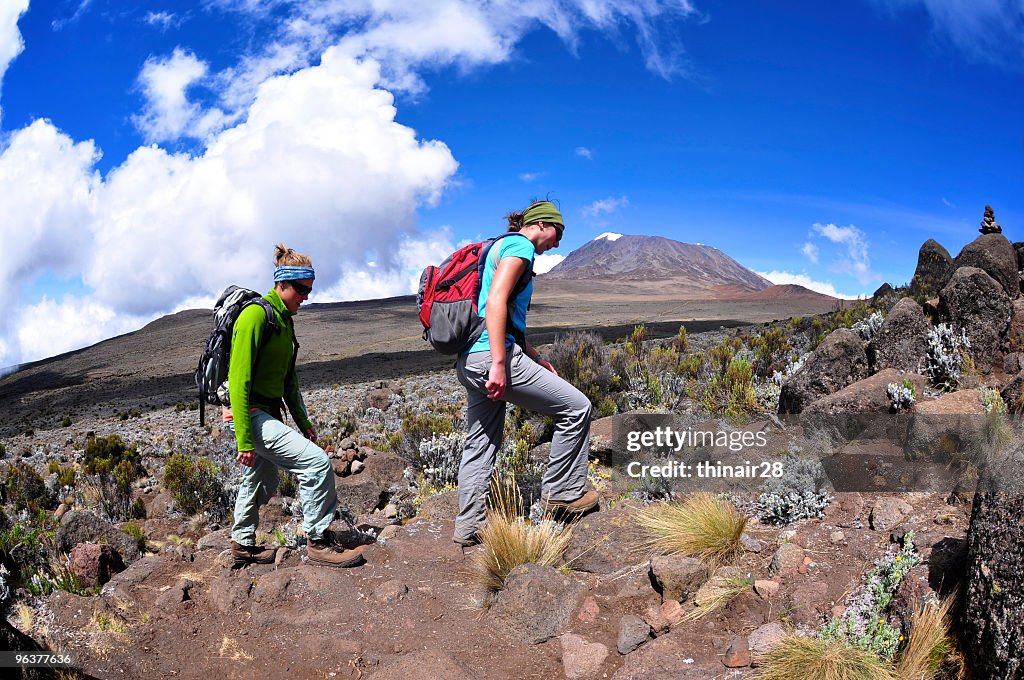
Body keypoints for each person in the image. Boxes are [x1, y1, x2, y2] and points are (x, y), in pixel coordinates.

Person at [453, 200, 598, 546]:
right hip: (492, 356)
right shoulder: (519, 246)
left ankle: (468, 529)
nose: (558, 244)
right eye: (558, 233)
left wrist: (533, 355)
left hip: (471, 358)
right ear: (543, 224)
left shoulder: (497, 246)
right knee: (577, 408)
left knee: (480, 444)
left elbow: (506, 316)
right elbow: (496, 302)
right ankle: (563, 493)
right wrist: (501, 363)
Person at [226, 243, 365, 568]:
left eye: (310, 289)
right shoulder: (255, 315)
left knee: (261, 477)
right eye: (301, 289)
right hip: (247, 414)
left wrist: (304, 425)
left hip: (266, 413)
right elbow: (238, 380)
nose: (306, 296)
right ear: (282, 283)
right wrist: (245, 440)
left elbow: (290, 382)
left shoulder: (284, 322)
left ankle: (242, 545)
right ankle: (318, 542)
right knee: (316, 464)